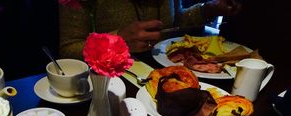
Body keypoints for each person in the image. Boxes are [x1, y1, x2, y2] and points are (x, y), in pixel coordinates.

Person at [59, 0, 241, 59]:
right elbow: (68, 49)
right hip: (107, 92)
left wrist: (207, 9)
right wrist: (116, 41)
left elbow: (174, 21)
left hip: (162, 79)